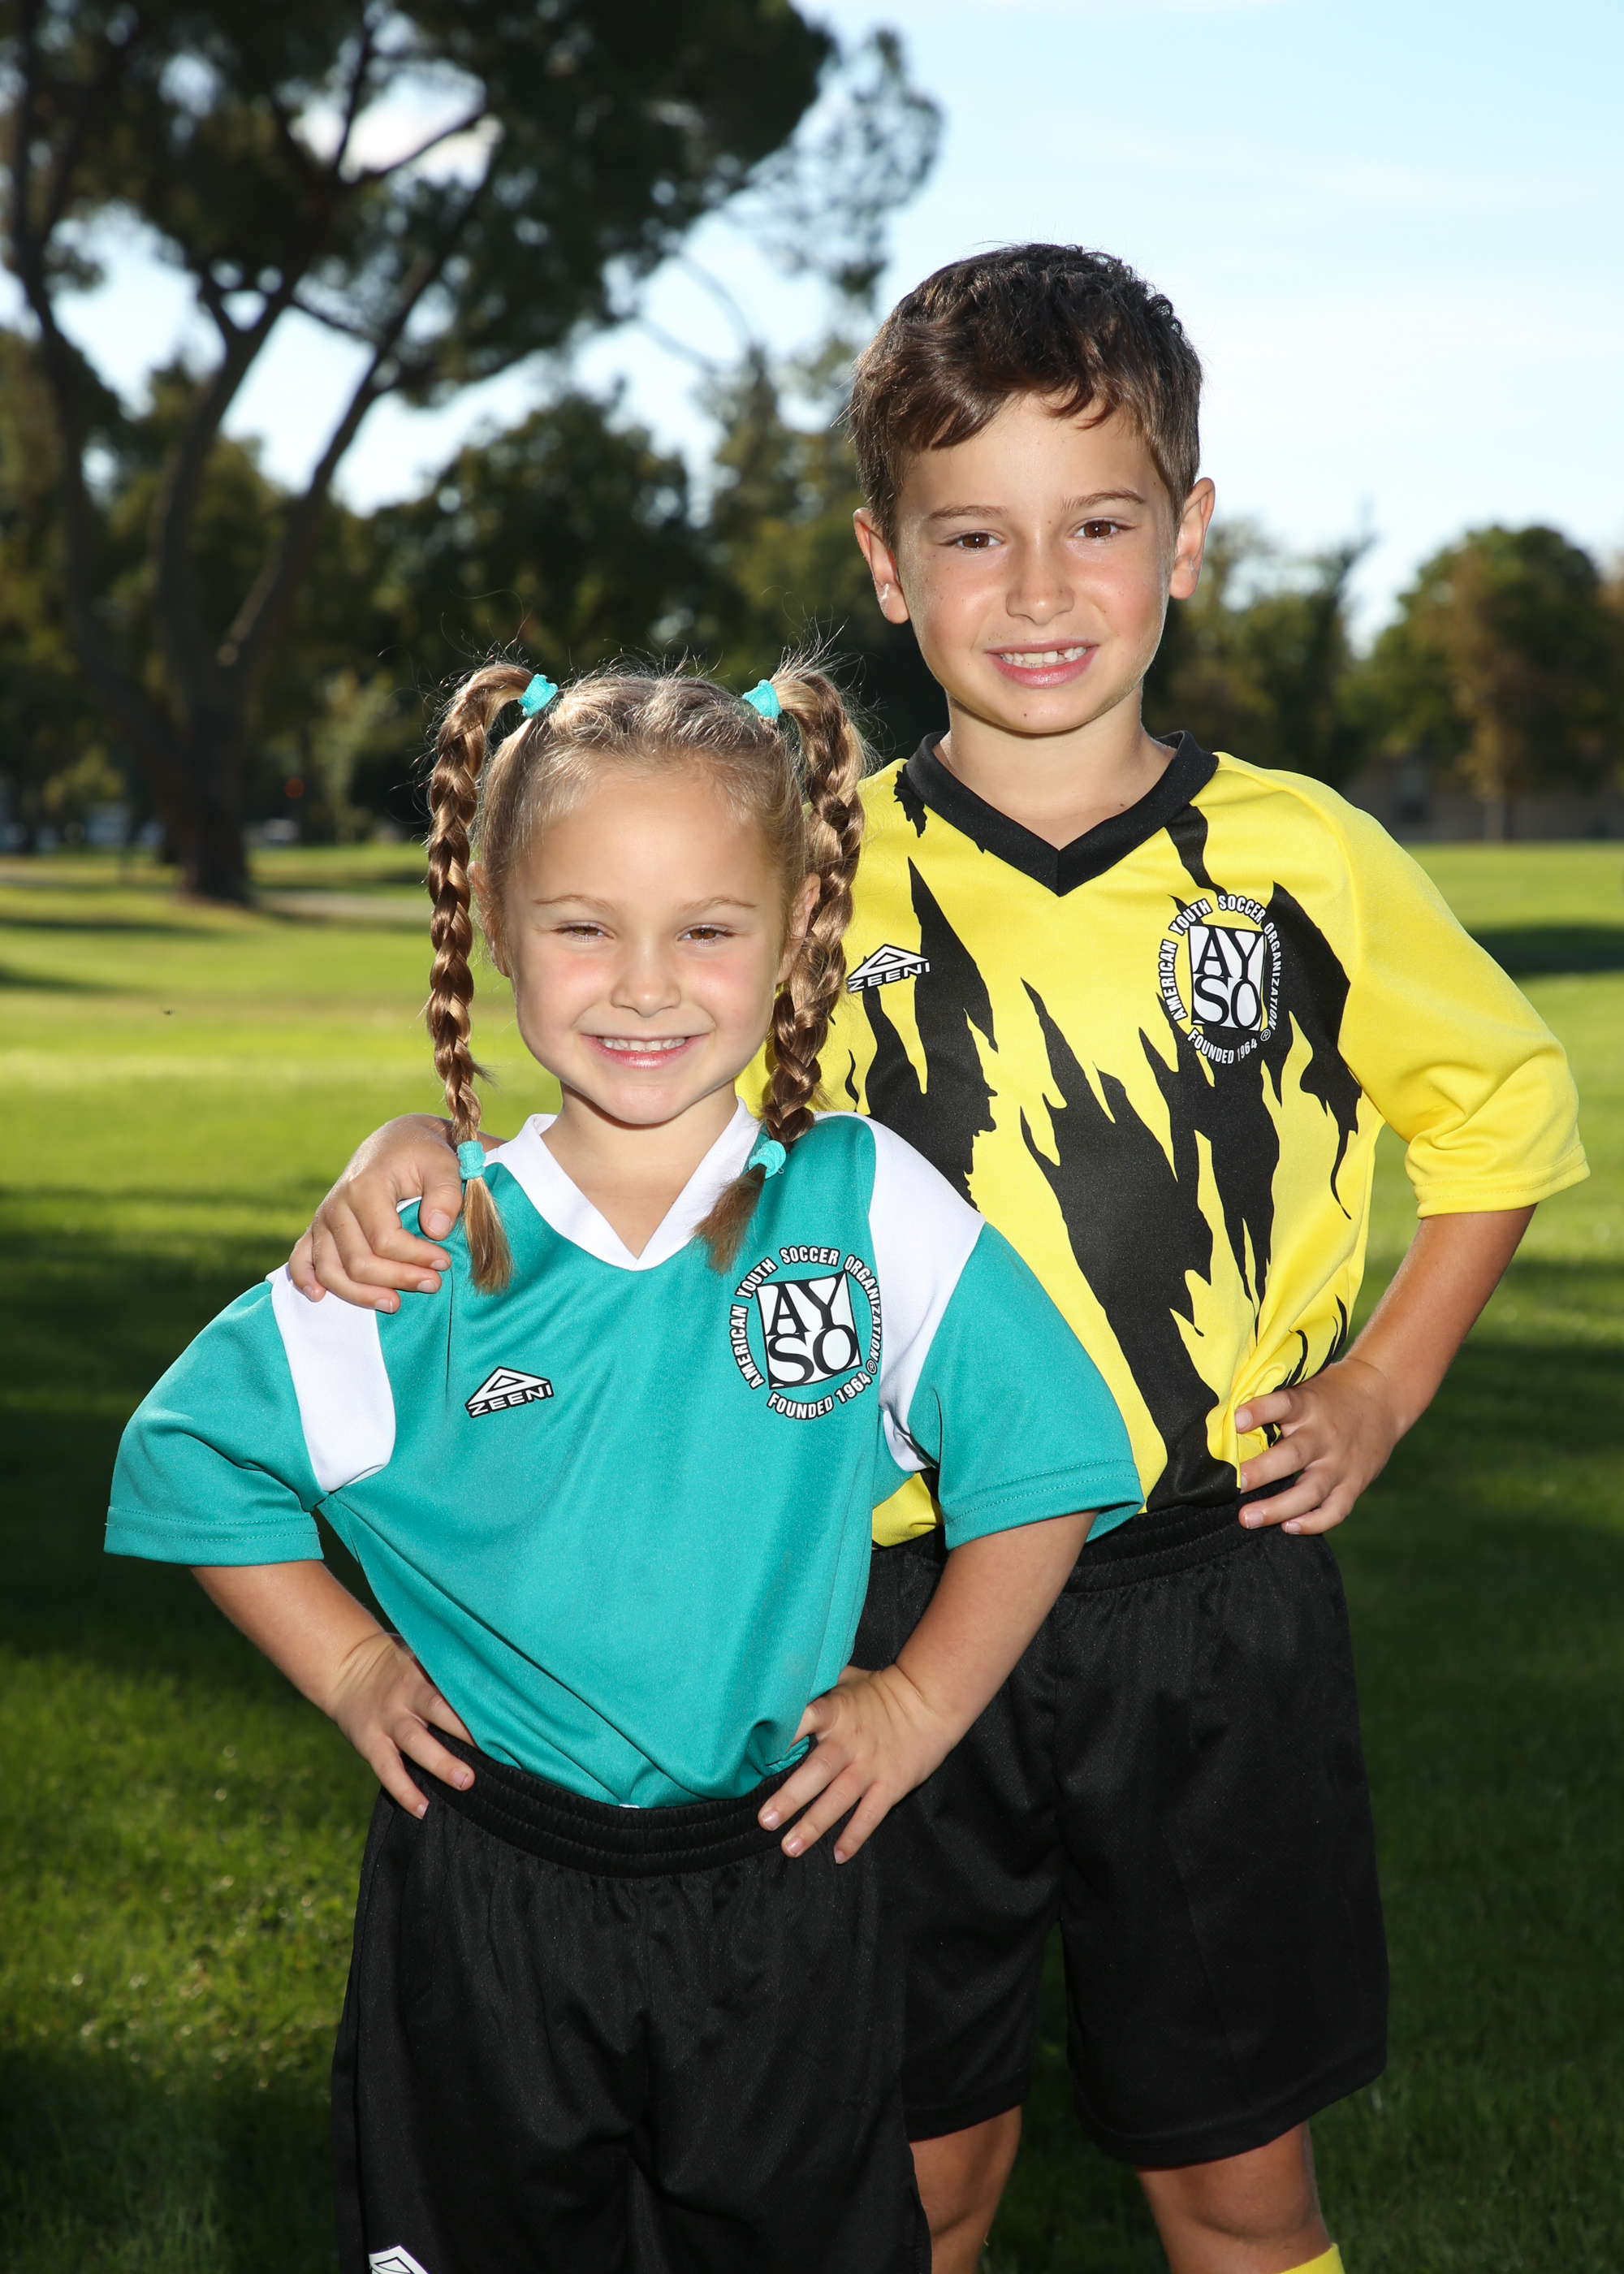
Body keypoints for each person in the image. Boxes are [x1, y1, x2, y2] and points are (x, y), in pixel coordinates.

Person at [284, 250, 1587, 2274]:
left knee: (1239, 2189)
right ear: (886, 564)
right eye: (974, 533)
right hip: (887, 1611)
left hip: (1212, 1598)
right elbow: (629, 1096)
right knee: (906, 2172)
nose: (1040, 587)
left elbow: (1499, 1107)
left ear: (1189, 536)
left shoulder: (1305, 858)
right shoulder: (821, 873)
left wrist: (1386, 1382)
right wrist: (409, 1151)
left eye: (1099, 525)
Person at [106, 658, 1143, 2274]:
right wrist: (355, 1669)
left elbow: (1049, 1455)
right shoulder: (429, 1241)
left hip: (780, 1878)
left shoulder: (860, 1201)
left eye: (706, 929)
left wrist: (923, 1703)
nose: (644, 986)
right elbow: (195, 1457)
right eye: (585, 926)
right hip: (488, 1891)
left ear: (794, 934)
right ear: (495, 931)